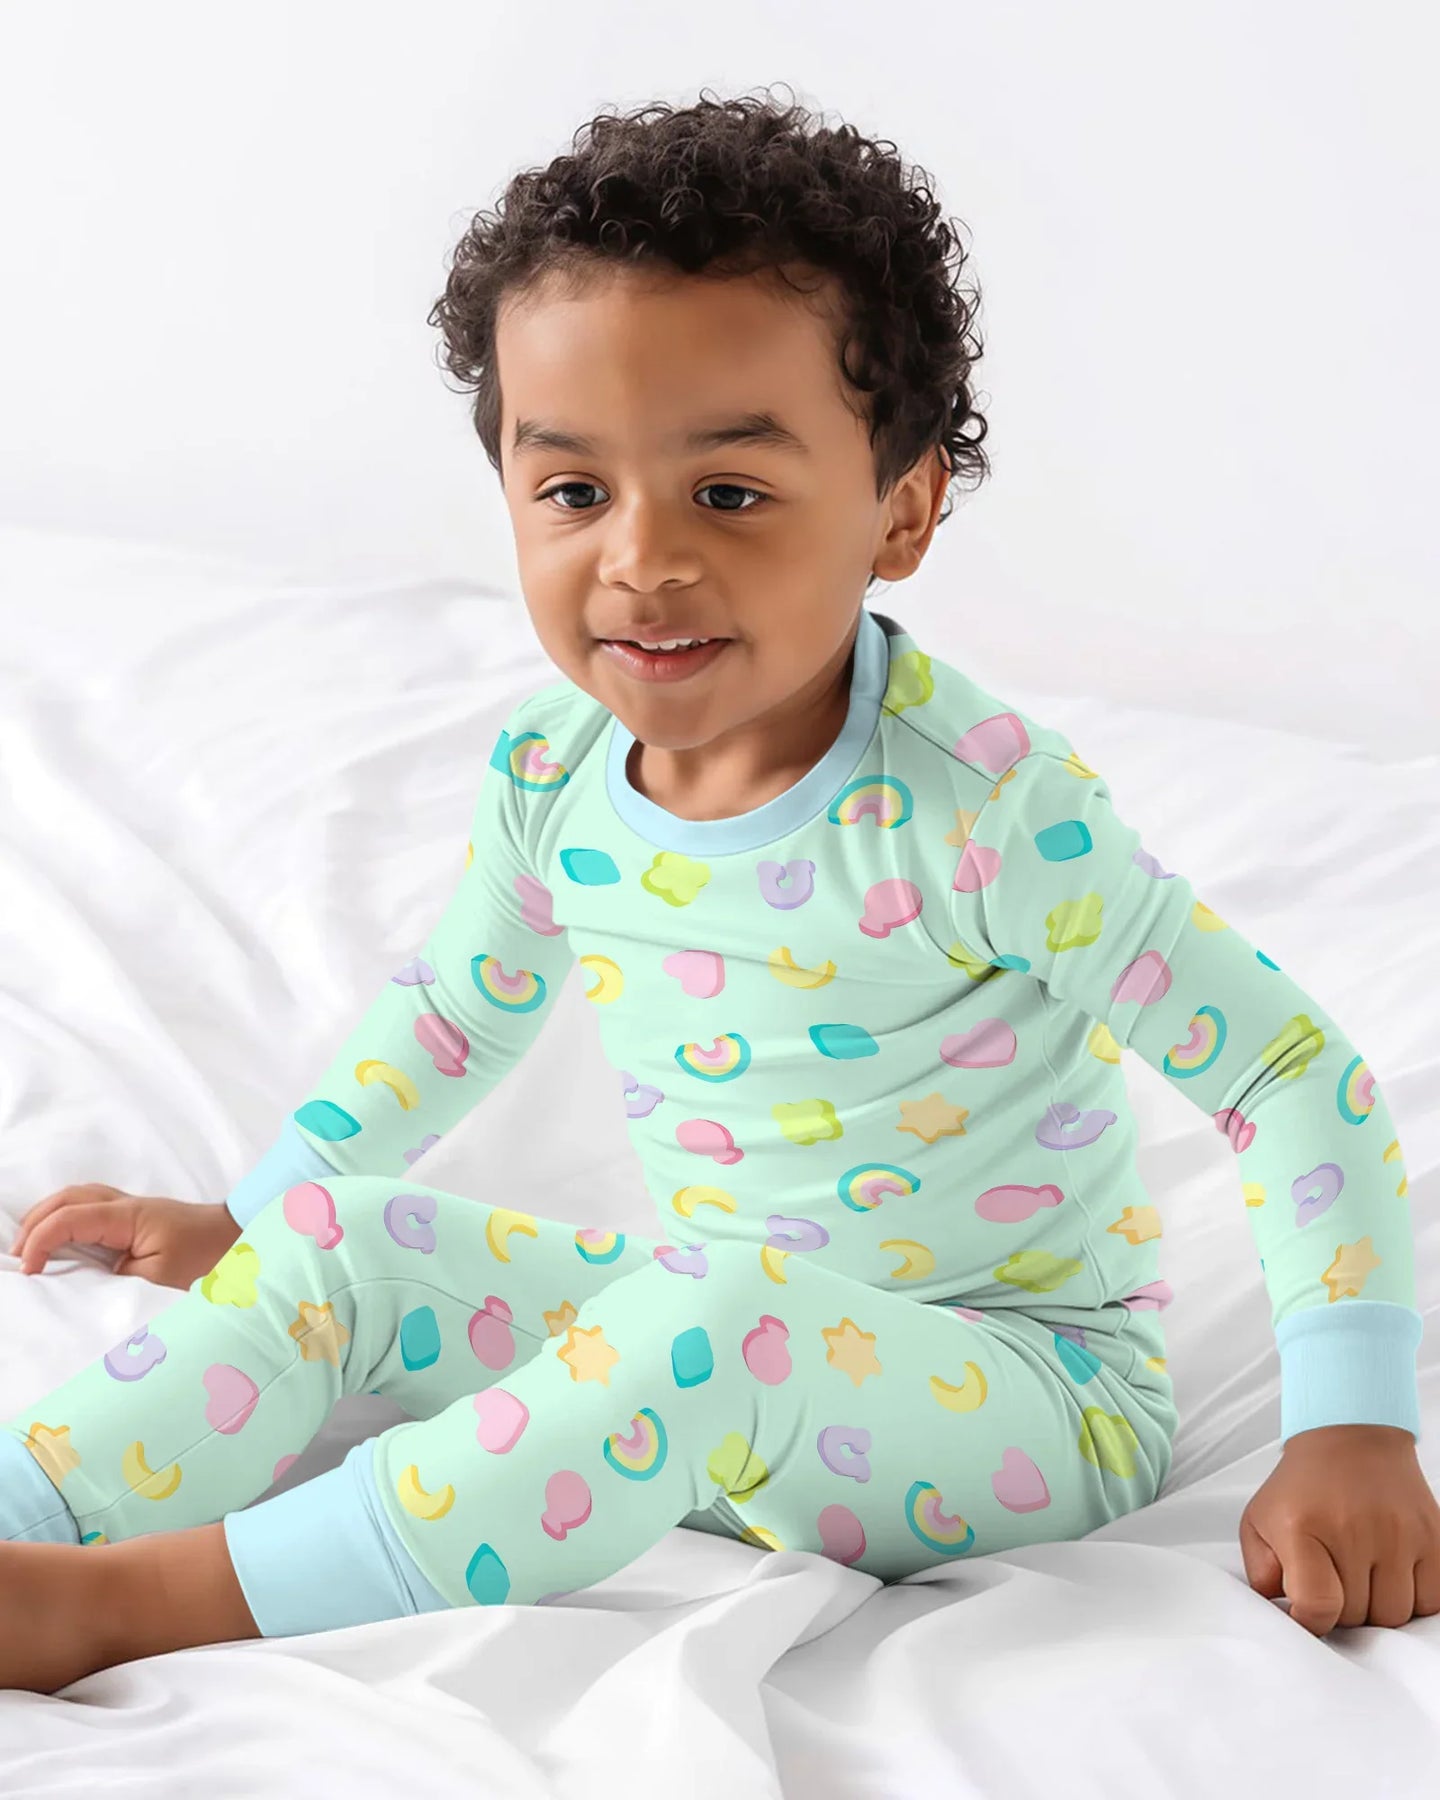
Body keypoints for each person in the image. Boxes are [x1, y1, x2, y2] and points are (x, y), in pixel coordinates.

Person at [3, 86, 1436, 1695]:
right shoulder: (553, 773)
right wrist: (253, 1221)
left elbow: (1285, 1072)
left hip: (1025, 1406)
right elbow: (454, 1016)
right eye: (573, 492)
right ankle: (22, 1510)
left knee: (713, 1313)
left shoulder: (985, 815)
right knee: (342, 1241)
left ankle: (122, 1606)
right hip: (720, 1351)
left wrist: (1355, 1428)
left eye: (731, 493)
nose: (641, 560)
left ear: (901, 511)